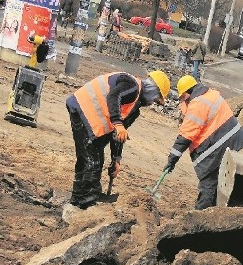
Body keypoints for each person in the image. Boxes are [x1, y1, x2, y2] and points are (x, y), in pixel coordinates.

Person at [66, 70, 170, 209]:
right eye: (156, 98)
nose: (153, 102)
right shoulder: (132, 85)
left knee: (91, 158)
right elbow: (113, 96)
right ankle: (85, 204)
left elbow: (118, 135)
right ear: (153, 89)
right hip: (83, 108)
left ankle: (78, 199)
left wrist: (116, 159)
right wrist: (118, 123)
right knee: (92, 161)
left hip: (91, 118)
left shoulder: (135, 108)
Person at [163, 75, 243, 209]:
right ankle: (221, 207)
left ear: (186, 94)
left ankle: (202, 213)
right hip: (237, 140)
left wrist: (172, 159)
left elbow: (186, 136)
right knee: (229, 179)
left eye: (181, 97)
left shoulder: (197, 104)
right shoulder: (211, 94)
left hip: (216, 147)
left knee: (208, 181)